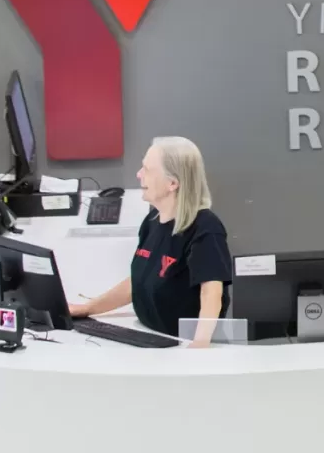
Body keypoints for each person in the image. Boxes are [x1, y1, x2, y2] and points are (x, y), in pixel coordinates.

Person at [70, 137, 232, 347]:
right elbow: (137, 282)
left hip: (182, 344)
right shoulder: (153, 221)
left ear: (172, 183)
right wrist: (87, 309)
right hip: (150, 336)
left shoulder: (205, 227)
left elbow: (211, 292)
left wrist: (200, 345)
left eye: (147, 169)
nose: (139, 175)